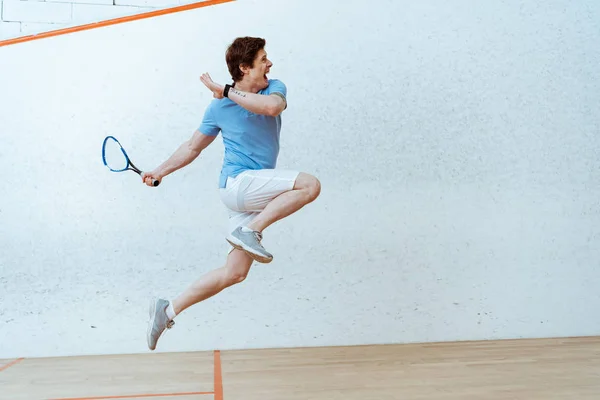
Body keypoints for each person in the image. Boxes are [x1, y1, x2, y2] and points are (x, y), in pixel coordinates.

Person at [141, 36, 321, 351]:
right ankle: (249, 230)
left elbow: (272, 108)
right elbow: (192, 147)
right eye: (263, 59)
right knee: (310, 185)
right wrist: (159, 171)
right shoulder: (218, 107)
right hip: (238, 185)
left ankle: (166, 310)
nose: (270, 64)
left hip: (250, 192)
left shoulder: (273, 87)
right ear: (244, 67)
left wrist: (225, 89)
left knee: (234, 274)